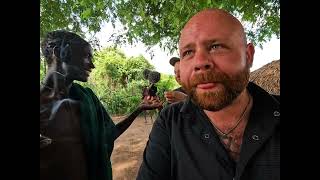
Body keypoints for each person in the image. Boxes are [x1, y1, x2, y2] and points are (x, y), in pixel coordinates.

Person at [137, 8, 280, 180]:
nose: (200, 62)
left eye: (215, 46)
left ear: (248, 56)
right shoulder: (170, 123)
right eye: (188, 52)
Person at [40, 30, 162, 180]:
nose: (92, 65)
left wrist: (139, 108)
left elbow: (111, 133)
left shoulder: (88, 99)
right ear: (59, 52)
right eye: (86, 56)